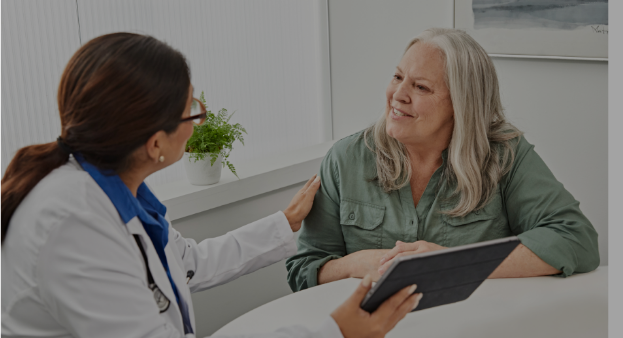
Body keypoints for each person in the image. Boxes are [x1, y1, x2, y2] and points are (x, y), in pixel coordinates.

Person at [1, 33, 423, 338]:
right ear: (154, 143)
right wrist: (333, 331)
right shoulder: (74, 223)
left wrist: (285, 222)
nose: (199, 120)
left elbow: (189, 263)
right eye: (191, 110)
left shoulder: (112, 191)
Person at [286, 28, 600, 292]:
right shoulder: (345, 159)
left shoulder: (505, 154)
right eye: (398, 77)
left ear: (462, 104)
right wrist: (357, 263)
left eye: (421, 87)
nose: (399, 94)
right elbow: (304, 271)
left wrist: (455, 262)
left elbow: (576, 240)